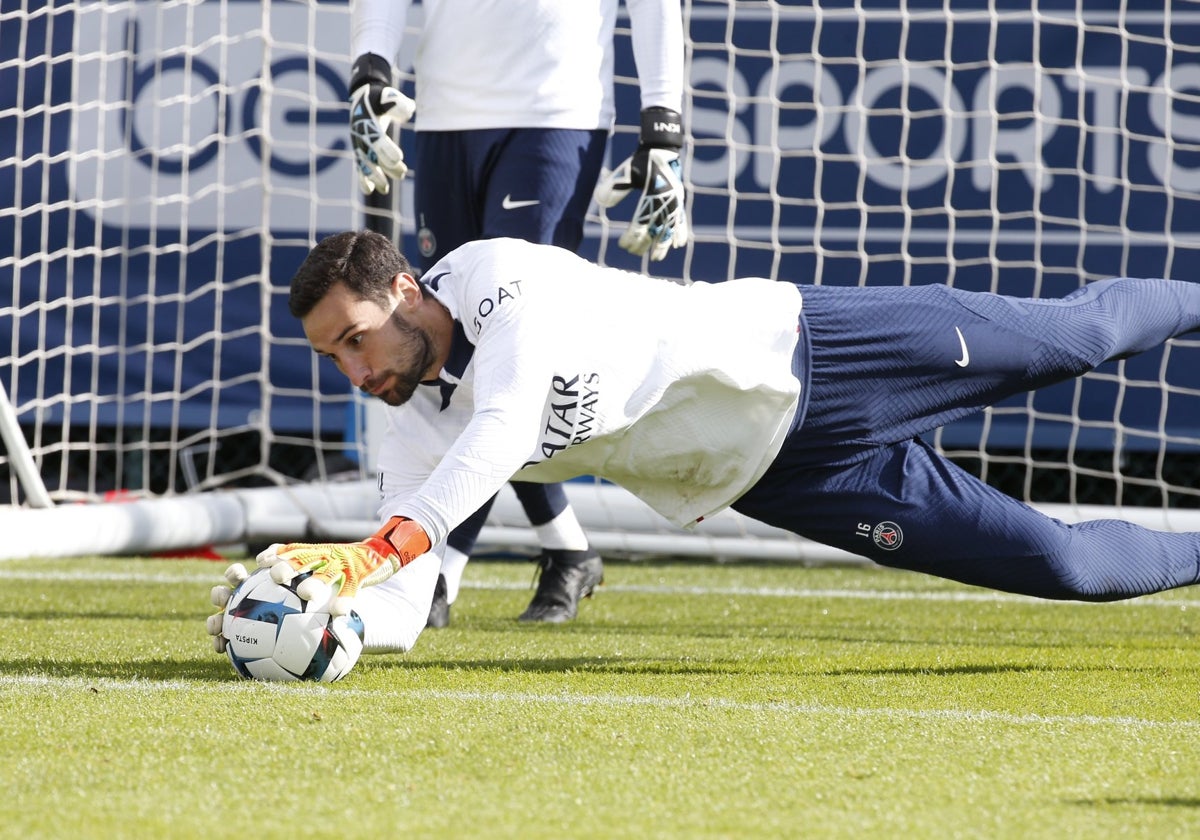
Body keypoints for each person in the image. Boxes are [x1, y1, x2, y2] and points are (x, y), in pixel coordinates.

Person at [209, 231, 1200, 655]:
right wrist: (312, 613)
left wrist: (382, 544)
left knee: (1085, 337)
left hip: (818, 349)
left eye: (355, 338)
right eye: (332, 356)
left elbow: (506, 426)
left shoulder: (500, 277)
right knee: (1065, 567)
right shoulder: (406, 409)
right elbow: (408, 599)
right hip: (781, 476)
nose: (354, 369)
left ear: (407, 291)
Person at [345, 0, 689, 626]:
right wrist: (372, 63)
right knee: (443, 351)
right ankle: (565, 549)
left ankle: (442, 575)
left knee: (509, 353)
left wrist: (664, 118)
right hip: (444, 111)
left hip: (555, 111)